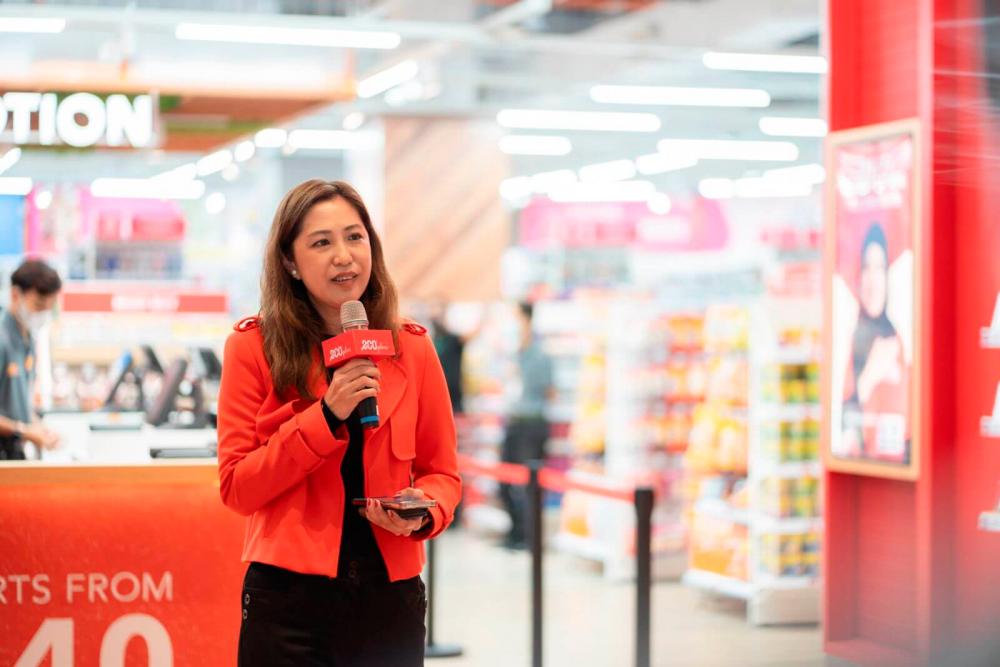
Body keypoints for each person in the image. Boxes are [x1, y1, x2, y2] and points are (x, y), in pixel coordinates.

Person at [217, 180, 461, 666]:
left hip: (388, 598)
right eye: (321, 242)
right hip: (287, 602)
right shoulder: (252, 349)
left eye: (355, 237)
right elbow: (237, 487)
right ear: (290, 262)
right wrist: (326, 416)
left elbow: (444, 474)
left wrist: (424, 508)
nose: (344, 256)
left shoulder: (412, 348)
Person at [841, 222, 910, 462]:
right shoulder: (849, 336)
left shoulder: (896, 339)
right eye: (867, 268)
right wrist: (869, 378)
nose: (873, 279)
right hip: (864, 460)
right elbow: (841, 428)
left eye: (879, 268)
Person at [499, 301, 553, 550]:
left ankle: (530, 538)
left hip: (531, 424)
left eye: (516, 318)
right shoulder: (514, 354)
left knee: (529, 483)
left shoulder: (540, 355)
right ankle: (516, 531)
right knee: (505, 481)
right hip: (513, 421)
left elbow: (549, 391)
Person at [0, 259, 62, 460]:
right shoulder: (2, 340)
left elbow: (20, 405)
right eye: (38, 305)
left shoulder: (27, 339)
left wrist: (38, 427)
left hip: (14, 452)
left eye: (49, 307)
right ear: (16, 295)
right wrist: (24, 430)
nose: (43, 313)